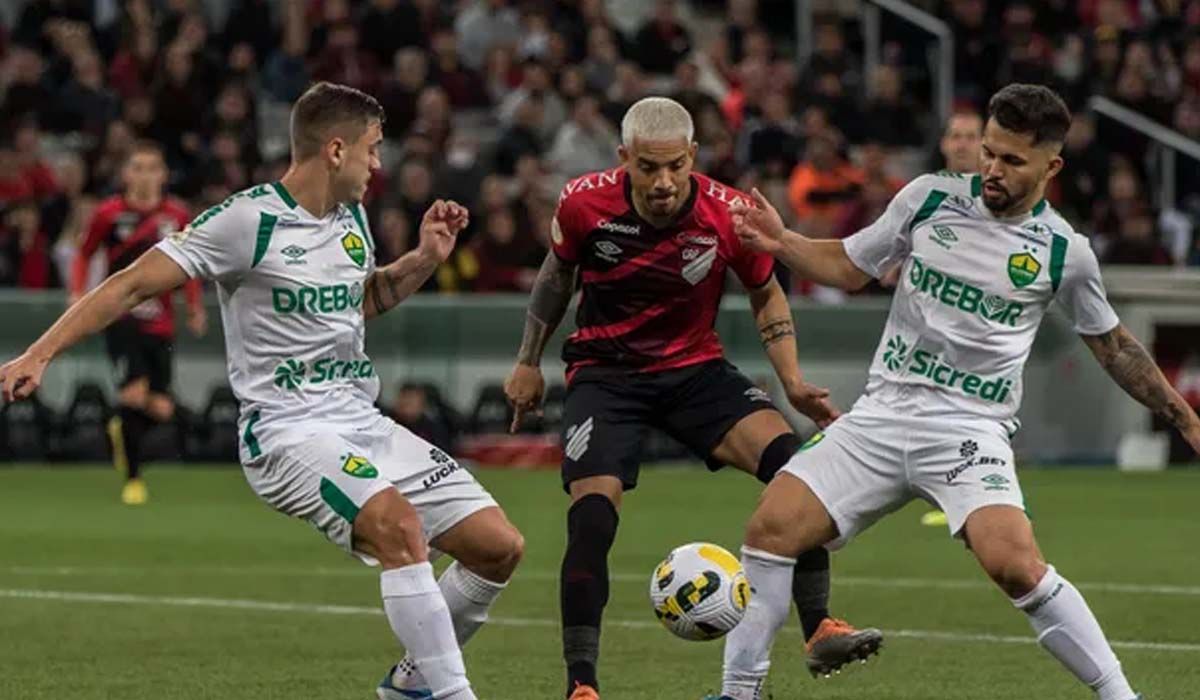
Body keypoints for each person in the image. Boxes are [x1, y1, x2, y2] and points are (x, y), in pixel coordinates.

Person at [1, 82, 525, 700]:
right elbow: (131, 286)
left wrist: (424, 258)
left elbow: (362, 303)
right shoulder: (246, 220)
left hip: (360, 418)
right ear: (335, 150)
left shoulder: (351, 218)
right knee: (399, 529)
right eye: (373, 149)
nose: (378, 164)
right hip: (285, 431)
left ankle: (412, 683)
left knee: (499, 547)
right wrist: (40, 351)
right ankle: (453, 694)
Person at [713, 83, 1200, 700]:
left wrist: (1184, 419)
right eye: (989, 153)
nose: (993, 169)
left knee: (1016, 566)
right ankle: (739, 693)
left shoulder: (1064, 253)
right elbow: (848, 265)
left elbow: (1114, 346)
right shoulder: (929, 197)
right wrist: (783, 241)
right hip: (881, 415)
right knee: (770, 530)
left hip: (969, 431)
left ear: (1051, 166)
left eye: (1012, 160)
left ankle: (1120, 697)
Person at [503, 96, 882, 700]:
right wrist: (527, 361)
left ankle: (820, 629)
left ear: (693, 157)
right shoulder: (582, 203)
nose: (662, 182)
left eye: (675, 166)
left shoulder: (728, 212)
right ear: (624, 158)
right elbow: (556, 277)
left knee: (798, 473)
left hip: (694, 372)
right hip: (606, 375)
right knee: (593, 519)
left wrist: (790, 379)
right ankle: (582, 686)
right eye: (648, 168)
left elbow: (767, 293)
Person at [71, 140, 205, 505]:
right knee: (133, 394)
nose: (145, 175)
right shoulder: (109, 213)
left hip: (161, 323)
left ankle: (120, 428)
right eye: (139, 167)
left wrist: (194, 307)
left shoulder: (176, 216)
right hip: (121, 316)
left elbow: (190, 266)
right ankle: (133, 479)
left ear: (163, 174)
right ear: (126, 174)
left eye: (153, 168)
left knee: (160, 408)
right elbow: (84, 254)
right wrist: (78, 293)